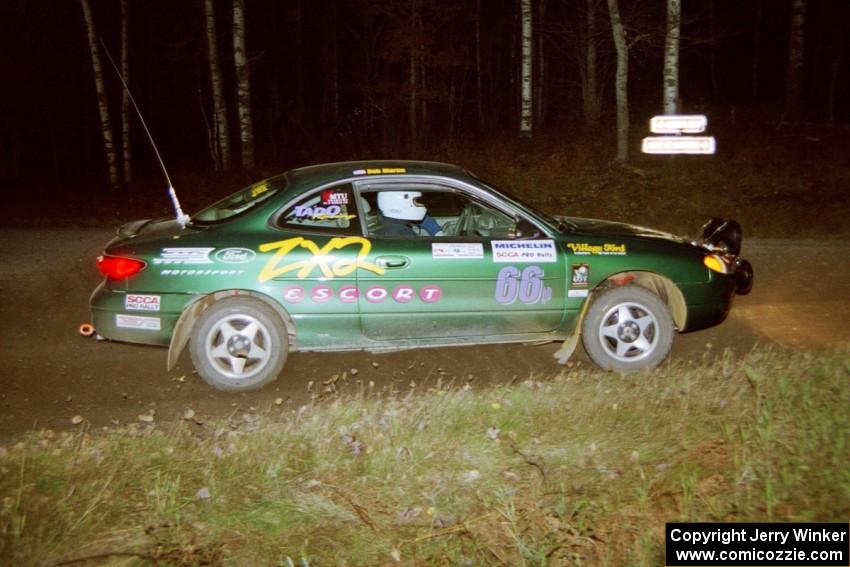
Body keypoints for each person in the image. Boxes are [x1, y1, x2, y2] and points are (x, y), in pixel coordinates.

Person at [374, 191, 442, 236]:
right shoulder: (403, 233)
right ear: (402, 203)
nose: (420, 204)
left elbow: (424, 220)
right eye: (415, 201)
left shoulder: (387, 222)